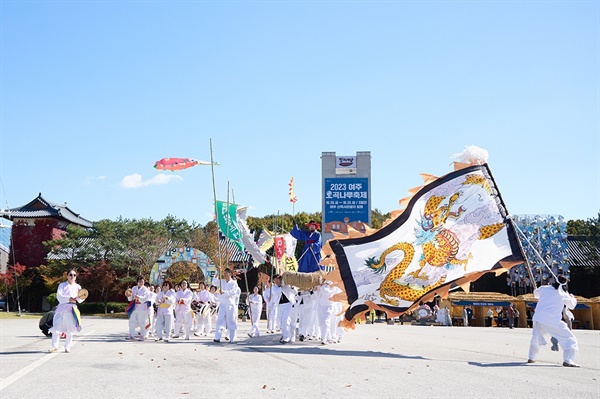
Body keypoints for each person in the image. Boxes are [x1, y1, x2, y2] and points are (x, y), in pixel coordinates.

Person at [527, 275, 580, 367]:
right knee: (570, 339)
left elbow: (536, 295)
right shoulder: (564, 294)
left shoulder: (544, 288)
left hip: (539, 318)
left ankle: (531, 357)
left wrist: (537, 289)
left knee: (536, 338)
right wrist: (572, 297)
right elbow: (572, 305)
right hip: (552, 320)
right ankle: (568, 360)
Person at [49, 269, 84, 353]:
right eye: (70, 275)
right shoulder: (62, 285)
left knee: (70, 328)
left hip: (71, 308)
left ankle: (67, 347)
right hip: (61, 307)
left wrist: (80, 297)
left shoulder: (78, 287)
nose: (72, 277)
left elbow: (80, 299)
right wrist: (69, 298)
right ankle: (54, 346)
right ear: (67, 276)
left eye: (74, 275)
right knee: (56, 326)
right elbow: (59, 296)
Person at [214, 268, 239, 343]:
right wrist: (218, 273)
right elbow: (214, 282)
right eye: (224, 273)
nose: (224, 275)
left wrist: (224, 292)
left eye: (226, 273)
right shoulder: (222, 282)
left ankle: (232, 338)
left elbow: (233, 292)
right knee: (219, 320)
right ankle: (217, 337)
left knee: (231, 321)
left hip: (230, 304)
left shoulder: (233, 283)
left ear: (230, 274)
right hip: (222, 304)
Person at [126, 276, 150, 341]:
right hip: (134, 307)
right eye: (140, 281)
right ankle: (131, 334)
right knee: (132, 321)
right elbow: (131, 298)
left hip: (142, 307)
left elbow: (145, 298)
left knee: (142, 322)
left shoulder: (145, 289)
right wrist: (129, 295)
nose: (141, 283)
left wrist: (138, 297)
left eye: (142, 281)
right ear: (137, 282)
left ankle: (142, 335)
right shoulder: (134, 288)